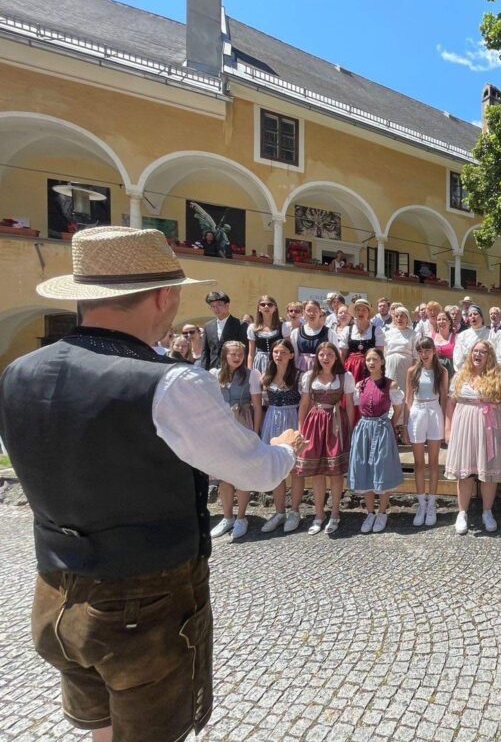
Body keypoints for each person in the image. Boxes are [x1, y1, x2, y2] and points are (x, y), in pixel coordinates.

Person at [0, 226, 301, 742]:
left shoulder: (18, 372)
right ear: (163, 296)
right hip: (144, 607)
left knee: (101, 728)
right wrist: (287, 447)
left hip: (55, 591)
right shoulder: (169, 381)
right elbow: (255, 470)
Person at [445, 340, 501, 534]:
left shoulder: (499, 375)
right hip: (464, 429)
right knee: (465, 472)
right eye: (475, 351)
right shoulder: (461, 375)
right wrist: (448, 429)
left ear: (489, 356)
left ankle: (487, 512)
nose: (477, 354)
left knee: (488, 472)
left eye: (482, 352)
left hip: (490, 429)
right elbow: (450, 403)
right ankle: (462, 513)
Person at [208, 341, 266, 541]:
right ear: (225, 355)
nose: (237, 357)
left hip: (243, 422)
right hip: (223, 426)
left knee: (242, 473)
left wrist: (255, 433)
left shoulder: (251, 375)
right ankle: (227, 517)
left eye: (240, 354)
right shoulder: (215, 374)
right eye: (233, 354)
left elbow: (257, 406)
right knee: (224, 475)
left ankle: (241, 517)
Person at [296, 342, 355, 535]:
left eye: (330, 354)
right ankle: (319, 514)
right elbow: (304, 404)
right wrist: (301, 430)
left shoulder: (345, 376)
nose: (326, 358)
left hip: (336, 424)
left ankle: (335, 513)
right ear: (317, 357)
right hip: (315, 423)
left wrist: (350, 430)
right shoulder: (309, 376)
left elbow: (350, 405)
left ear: (336, 357)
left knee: (335, 472)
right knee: (317, 472)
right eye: (322, 354)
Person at [349, 348, 405, 533]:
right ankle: (370, 512)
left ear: (382, 362)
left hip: (382, 430)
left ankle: (382, 512)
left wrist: (389, 425)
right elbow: (358, 407)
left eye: (375, 359)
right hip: (364, 429)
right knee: (364, 468)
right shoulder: (361, 385)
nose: (371, 363)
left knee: (383, 469)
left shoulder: (391, 385)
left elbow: (398, 408)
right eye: (368, 360)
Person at [259, 340, 305, 534]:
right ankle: (279, 512)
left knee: (295, 469)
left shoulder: (299, 376)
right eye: (276, 352)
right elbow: (262, 405)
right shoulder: (266, 376)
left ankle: (294, 511)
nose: (279, 355)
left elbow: (305, 404)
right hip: (272, 419)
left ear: (291, 355)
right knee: (277, 468)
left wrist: (300, 430)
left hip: (292, 419)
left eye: (283, 352)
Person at [405, 337, 448, 527]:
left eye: (427, 350)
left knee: (433, 462)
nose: (424, 354)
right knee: (419, 462)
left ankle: (432, 504)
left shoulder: (442, 371)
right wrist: (405, 424)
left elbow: (444, 398)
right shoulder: (412, 371)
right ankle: (421, 504)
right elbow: (408, 399)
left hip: (434, 412)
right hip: (417, 412)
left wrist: (446, 423)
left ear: (434, 351)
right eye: (421, 351)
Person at [338, 298, 385, 389]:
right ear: (355, 313)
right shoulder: (347, 330)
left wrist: (378, 373)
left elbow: (380, 354)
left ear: (368, 313)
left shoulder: (377, 331)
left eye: (364, 310)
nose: (361, 312)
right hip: (350, 369)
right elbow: (342, 354)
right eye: (358, 310)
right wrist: (340, 372)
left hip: (370, 368)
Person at [201, 290, 246, 370]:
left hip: (234, 369)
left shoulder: (240, 325)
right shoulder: (208, 326)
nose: (216, 309)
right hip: (213, 370)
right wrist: (204, 371)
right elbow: (205, 352)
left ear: (227, 305)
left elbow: (245, 350)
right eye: (212, 306)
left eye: (219, 305)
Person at [290, 299, 336, 375]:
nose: (312, 313)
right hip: (301, 368)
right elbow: (295, 355)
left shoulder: (329, 333)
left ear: (320, 312)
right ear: (304, 313)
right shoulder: (296, 333)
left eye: (315, 310)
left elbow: (334, 353)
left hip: (322, 369)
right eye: (308, 310)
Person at [247, 294, 283, 374]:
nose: (266, 306)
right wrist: (249, 372)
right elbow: (251, 354)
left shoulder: (283, 327)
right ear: (259, 308)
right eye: (263, 304)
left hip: (277, 362)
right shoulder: (253, 328)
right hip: (259, 363)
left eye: (270, 304)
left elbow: (288, 349)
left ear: (275, 308)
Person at [453, 305, 491, 371]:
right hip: (467, 371)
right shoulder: (462, 336)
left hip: (487, 370)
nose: (473, 316)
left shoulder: (491, 334)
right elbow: (458, 358)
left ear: (481, 317)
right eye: (470, 315)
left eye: (475, 314)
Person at [384, 306, 416, 384]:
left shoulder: (414, 334)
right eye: (396, 316)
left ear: (407, 318)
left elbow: (416, 356)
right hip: (389, 366)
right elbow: (384, 353)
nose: (399, 318)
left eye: (402, 316)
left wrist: (413, 371)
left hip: (406, 367)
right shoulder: (388, 333)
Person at [432, 309, 458, 379]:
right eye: (439, 319)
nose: (441, 321)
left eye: (444, 319)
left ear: (449, 322)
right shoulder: (431, 337)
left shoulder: (457, 337)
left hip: (451, 373)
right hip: (434, 372)